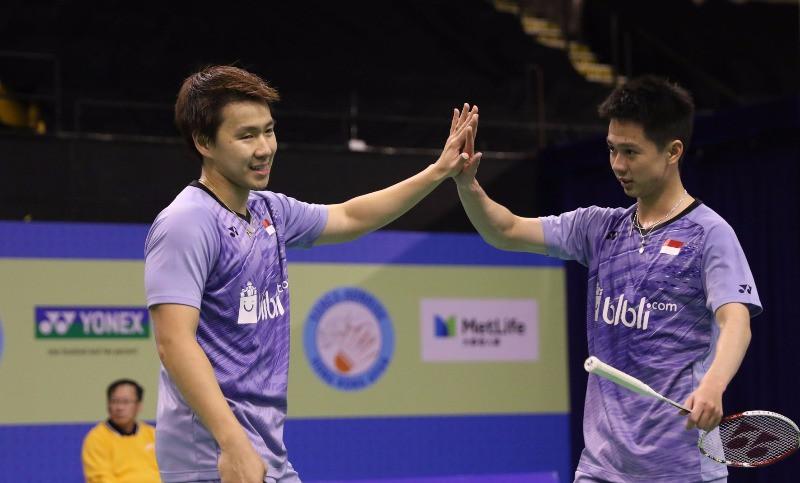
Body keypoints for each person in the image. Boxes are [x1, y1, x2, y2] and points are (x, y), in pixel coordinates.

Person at [144, 65, 477, 483]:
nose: (265, 147)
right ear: (203, 142)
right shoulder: (187, 222)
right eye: (246, 136)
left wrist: (438, 172)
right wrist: (232, 444)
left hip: (267, 456)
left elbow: (350, 215)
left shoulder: (270, 211)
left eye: (269, 130)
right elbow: (174, 342)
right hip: (212, 461)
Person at [454, 75, 761, 482]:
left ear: (673, 151)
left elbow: (735, 321)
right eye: (612, 150)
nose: (618, 165)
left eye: (631, 152)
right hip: (602, 468)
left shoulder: (709, 234)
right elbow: (505, 231)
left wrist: (714, 385)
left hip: (681, 470)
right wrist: (466, 184)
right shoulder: (599, 229)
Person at [81, 379, 160, 483]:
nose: (119, 407)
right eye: (115, 401)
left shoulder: (153, 434)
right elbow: (100, 478)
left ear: (139, 406)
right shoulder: (96, 439)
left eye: (126, 402)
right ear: (108, 405)